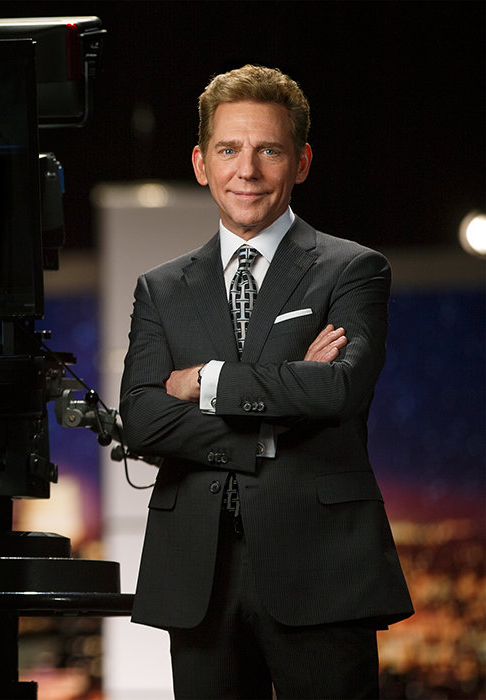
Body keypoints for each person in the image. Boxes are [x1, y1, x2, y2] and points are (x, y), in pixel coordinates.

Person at [119, 64, 413, 698]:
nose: (246, 170)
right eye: (228, 149)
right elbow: (141, 417)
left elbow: (337, 389)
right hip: (197, 573)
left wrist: (208, 382)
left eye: (268, 150)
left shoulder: (353, 269)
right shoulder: (161, 288)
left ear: (301, 162)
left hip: (323, 566)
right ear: (201, 163)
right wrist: (264, 431)